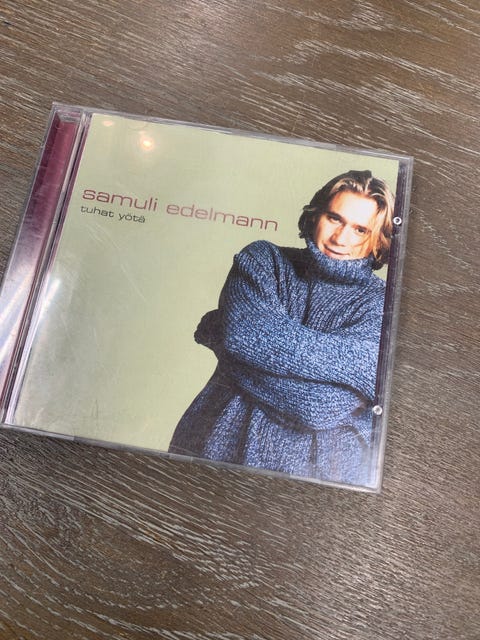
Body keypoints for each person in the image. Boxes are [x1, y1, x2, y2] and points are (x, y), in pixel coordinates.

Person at [169, 169, 395, 485]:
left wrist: (225, 340)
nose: (340, 239)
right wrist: (355, 363)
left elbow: (317, 408)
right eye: (334, 219)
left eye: (360, 229)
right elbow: (245, 335)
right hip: (214, 448)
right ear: (316, 215)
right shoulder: (264, 259)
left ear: (378, 239)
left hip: (321, 476)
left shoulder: (383, 303)